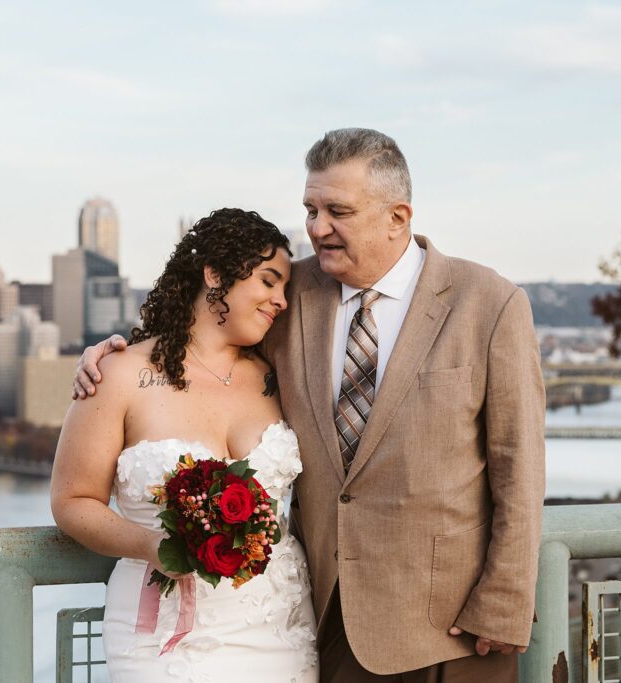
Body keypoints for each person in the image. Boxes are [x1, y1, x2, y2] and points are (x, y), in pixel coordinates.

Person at [75, 128, 546, 682]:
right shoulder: (289, 294)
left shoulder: (489, 303)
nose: (317, 227)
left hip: (455, 629)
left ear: (398, 216)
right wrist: (113, 351)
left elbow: (520, 467)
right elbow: (205, 337)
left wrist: (505, 600)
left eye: (337, 211)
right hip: (326, 623)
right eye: (311, 208)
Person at [50, 208, 319, 681]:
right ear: (214, 274)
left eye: (285, 289)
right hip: (163, 634)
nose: (280, 301)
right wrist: (154, 545)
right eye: (268, 281)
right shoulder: (118, 374)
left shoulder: (280, 376)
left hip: (280, 629)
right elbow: (73, 501)